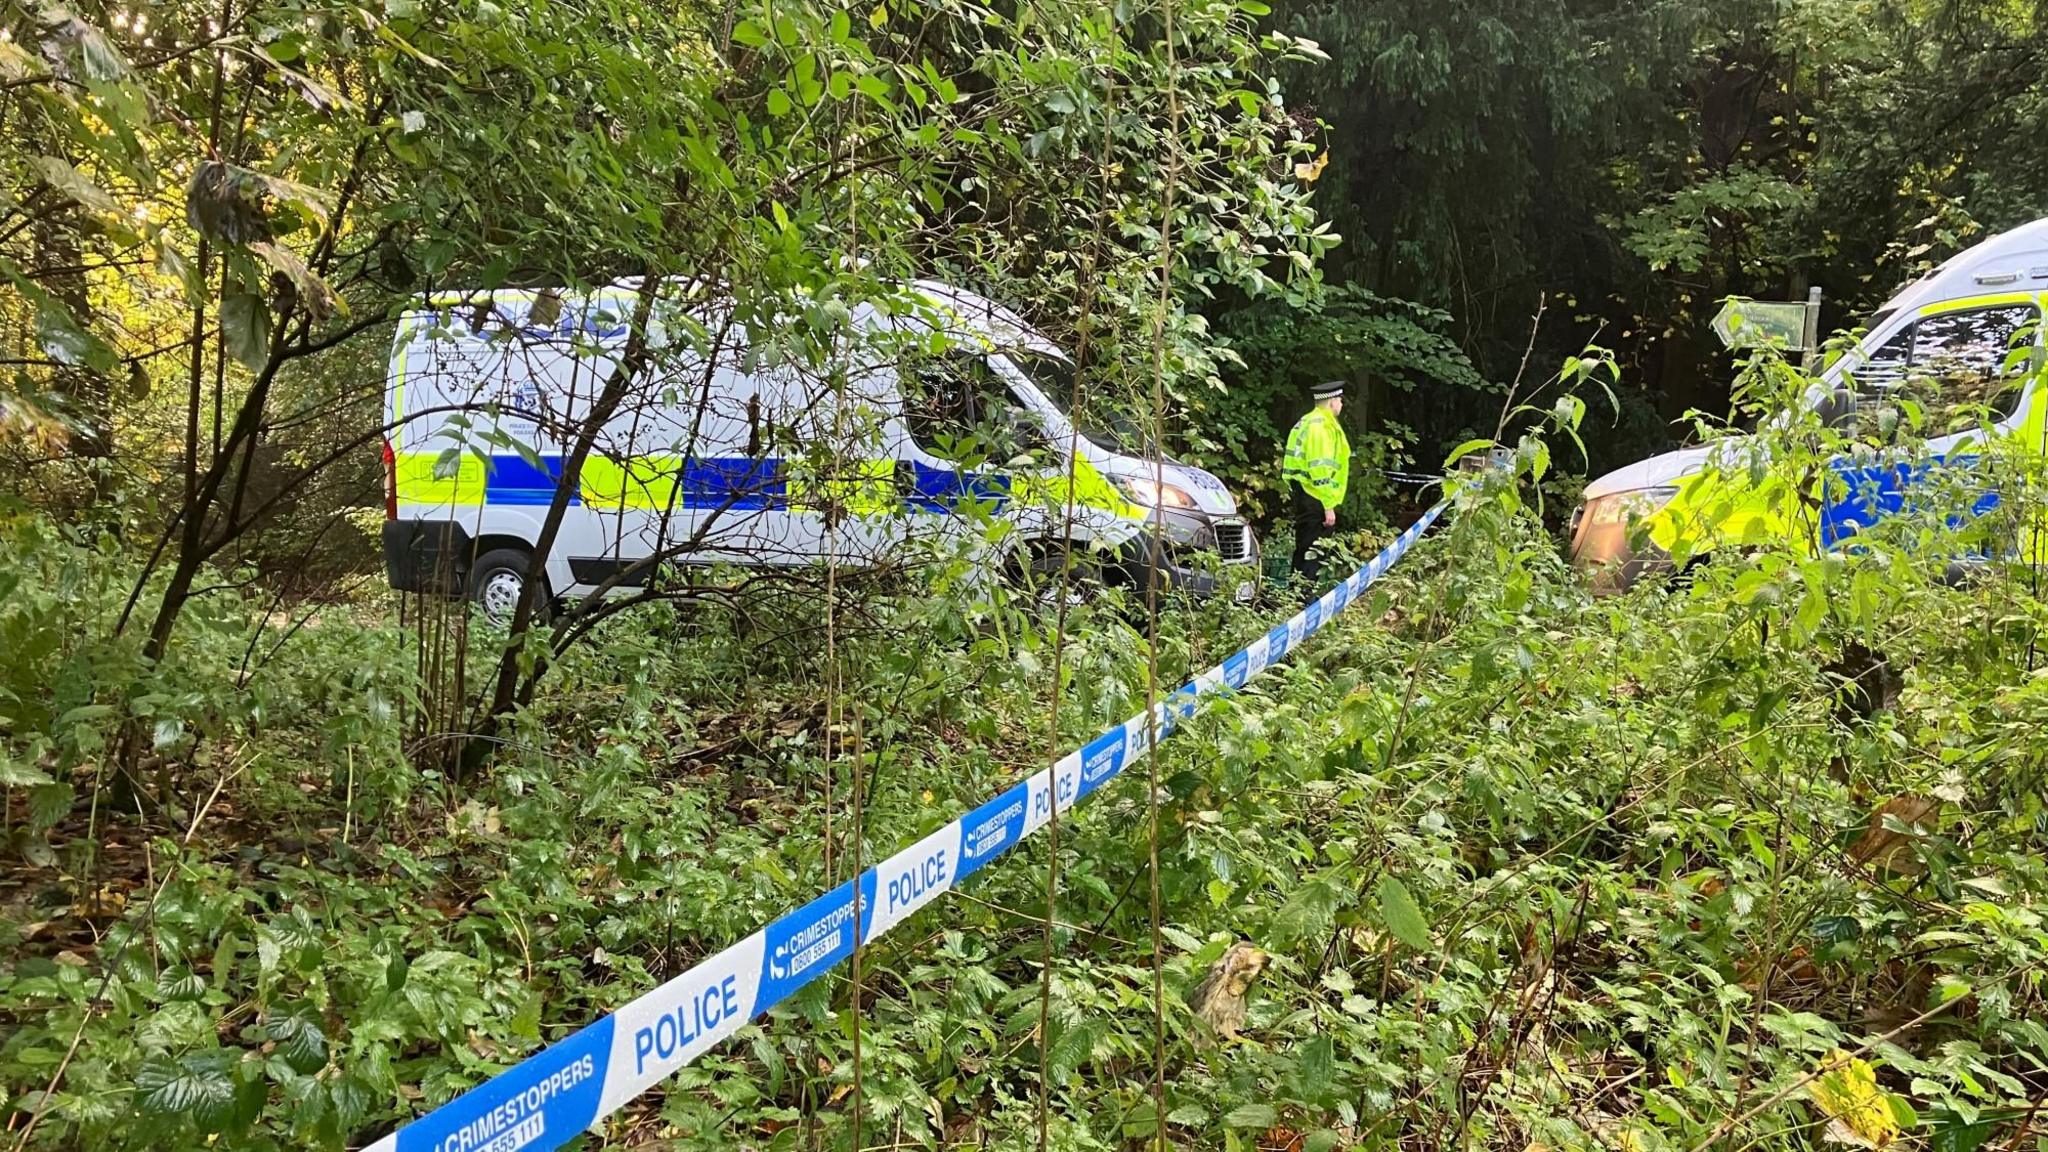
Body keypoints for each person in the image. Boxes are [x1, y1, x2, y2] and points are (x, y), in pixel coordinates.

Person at [1282, 380, 1350, 586]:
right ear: (1330, 402)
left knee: (1304, 547)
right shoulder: (1321, 427)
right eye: (1339, 400)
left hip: (1307, 493)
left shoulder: (1309, 421)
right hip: (1315, 495)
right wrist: (1328, 506)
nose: (1341, 404)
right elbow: (1319, 469)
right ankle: (1305, 599)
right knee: (1313, 550)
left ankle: (1297, 594)